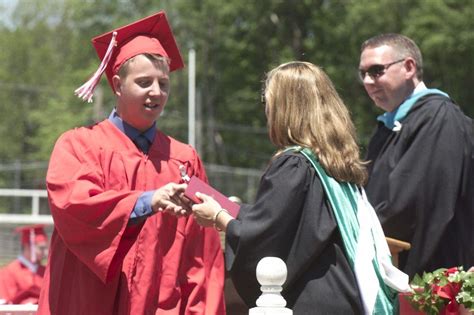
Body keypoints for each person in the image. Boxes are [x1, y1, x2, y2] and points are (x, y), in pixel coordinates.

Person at [37, 11, 225, 315]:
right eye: (144, 82)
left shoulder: (184, 161)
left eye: (163, 83)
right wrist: (147, 201)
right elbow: (75, 206)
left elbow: (201, 258)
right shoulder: (78, 146)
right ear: (117, 84)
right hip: (86, 304)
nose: (156, 92)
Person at [191, 61, 410, 314]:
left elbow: (265, 236)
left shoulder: (294, 164)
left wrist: (219, 217)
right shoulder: (334, 166)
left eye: (269, 102)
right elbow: (289, 220)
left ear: (286, 108)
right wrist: (236, 212)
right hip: (346, 296)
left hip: (311, 303)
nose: (267, 111)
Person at [358, 33, 474, 279]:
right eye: (363, 73)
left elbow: (410, 207)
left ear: (409, 67)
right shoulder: (389, 127)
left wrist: (353, 233)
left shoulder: (438, 119)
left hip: (428, 282)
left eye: (377, 70)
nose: (368, 81)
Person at [0, 224, 49, 304]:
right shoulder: (8, 272)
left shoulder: (46, 272)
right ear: (28, 246)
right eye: (41, 248)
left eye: (46, 248)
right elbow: (7, 303)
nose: (46, 253)